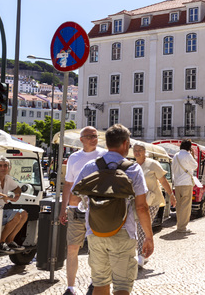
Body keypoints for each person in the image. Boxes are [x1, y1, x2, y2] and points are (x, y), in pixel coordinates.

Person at [72, 124, 154, 295]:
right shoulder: (132, 169)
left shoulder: (90, 167)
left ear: (107, 143)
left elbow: (74, 196)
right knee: (122, 285)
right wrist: (148, 236)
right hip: (123, 232)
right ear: (125, 143)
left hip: (95, 232)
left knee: (100, 283)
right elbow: (141, 207)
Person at [59, 126, 106, 295]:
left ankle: (95, 282)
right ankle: (70, 288)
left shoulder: (104, 155)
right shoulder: (74, 157)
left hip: (96, 210)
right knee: (72, 248)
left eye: (95, 135)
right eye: (90, 136)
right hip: (75, 209)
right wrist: (63, 208)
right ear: (82, 139)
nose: (94, 138)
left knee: (95, 248)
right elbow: (68, 184)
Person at [133, 142, 176, 268]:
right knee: (136, 227)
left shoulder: (153, 164)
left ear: (144, 151)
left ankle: (141, 256)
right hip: (139, 202)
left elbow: (163, 180)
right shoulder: (134, 166)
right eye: (135, 150)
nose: (137, 152)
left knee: (142, 226)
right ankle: (143, 253)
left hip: (152, 201)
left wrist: (171, 195)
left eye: (140, 150)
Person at [0, 156, 28, 254]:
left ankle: (9, 240)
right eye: (0, 166)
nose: (3, 168)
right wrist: (4, 196)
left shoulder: (7, 178)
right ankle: (0, 242)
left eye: (5, 166)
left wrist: (17, 196)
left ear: (9, 168)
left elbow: (17, 188)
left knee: (24, 214)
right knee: (16, 215)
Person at [171, 139, 198, 233]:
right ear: (189, 147)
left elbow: (173, 170)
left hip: (177, 184)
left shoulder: (175, 156)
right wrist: (193, 155)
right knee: (186, 206)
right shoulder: (188, 155)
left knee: (179, 206)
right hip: (186, 183)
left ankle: (179, 225)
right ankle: (182, 227)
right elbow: (195, 166)